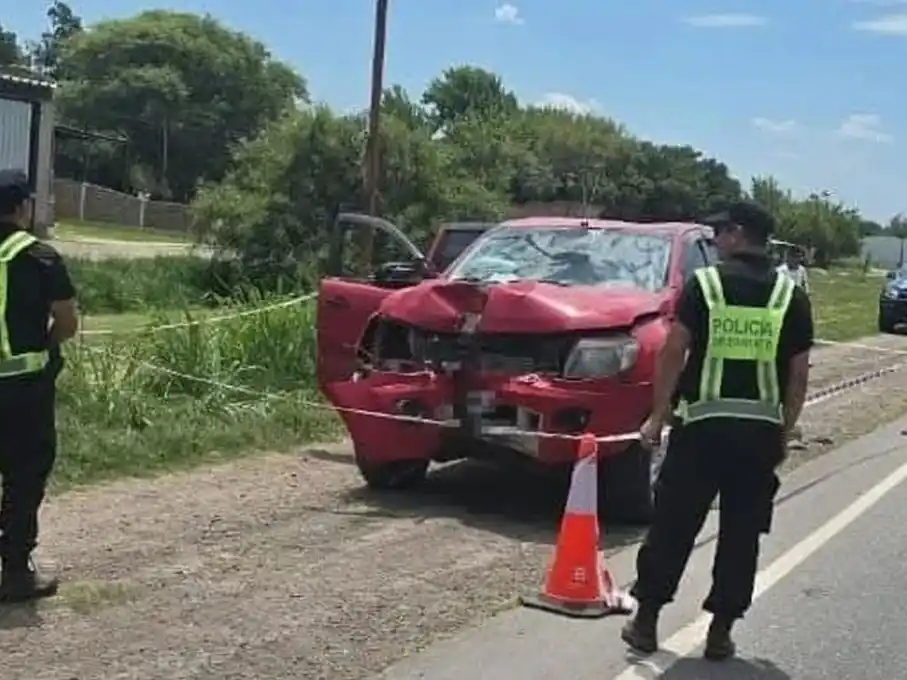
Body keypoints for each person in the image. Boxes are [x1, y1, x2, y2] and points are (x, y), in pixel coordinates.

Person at [620, 200, 813, 660]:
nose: (716, 238)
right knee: (742, 534)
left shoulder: (703, 285)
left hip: (701, 430)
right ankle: (721, 631)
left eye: (721, 230)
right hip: (758, 438)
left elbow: (674, 350)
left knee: (673, 525)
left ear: (739, 234)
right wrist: (785, 430)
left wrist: (657, 413)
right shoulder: (791, 296)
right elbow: (799, 373)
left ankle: (646, 621)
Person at [0, 169, 78, 602]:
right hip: (23, 389)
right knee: (23, 476)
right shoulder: (40, 257)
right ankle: (14, 572)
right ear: (22, 209)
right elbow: (66, 322)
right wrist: (46, 347)